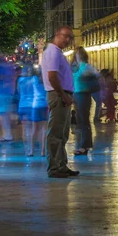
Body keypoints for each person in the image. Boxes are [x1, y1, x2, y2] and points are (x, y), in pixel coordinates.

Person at [41, 26, 79, 178]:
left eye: (70, 37)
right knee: (56, 133)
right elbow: (52, 77)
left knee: (63, 133)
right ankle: (54, 167)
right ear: (57, 35)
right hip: (58, 95)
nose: (68, 40)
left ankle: (61, 164)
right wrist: (63, 95)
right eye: (66, 36)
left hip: (62, 95)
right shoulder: (52, 52)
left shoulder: (57, 52)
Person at [72, 47, 99, 155]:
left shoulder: (86, 67)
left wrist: (88, 78)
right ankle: (82, 144)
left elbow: (97, 75)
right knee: (79, 121)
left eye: (78, 53)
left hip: (84, 96)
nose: (77, 55)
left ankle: (84, 146)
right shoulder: (77, 67)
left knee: (84, 121)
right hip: (77, 95)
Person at [0, 57, 15, 141]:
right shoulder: (9, 69)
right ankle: (8, 134)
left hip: (1, 94)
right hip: (7, 94)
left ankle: (7, 135)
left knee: (3, 116)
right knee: (6, 116)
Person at [17, 65, 35, 155]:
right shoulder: (34, 79)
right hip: (32, 105)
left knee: (24, 128)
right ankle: (31, 149)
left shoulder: (20, 81)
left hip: (22, 105)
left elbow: (18, 92)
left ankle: (26, 148)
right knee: (31, 127)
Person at [31, 66, 48, 157]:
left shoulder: (34, 79)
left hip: (35, 105)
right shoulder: (46, 81)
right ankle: (43, 151)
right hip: (44, 105)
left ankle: (32, 150)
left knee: (35, 129)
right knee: (44, 128)